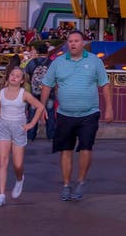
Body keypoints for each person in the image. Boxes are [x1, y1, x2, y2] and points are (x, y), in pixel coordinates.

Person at [40, 30, 113, 202]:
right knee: (66, 149)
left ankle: (81, 181)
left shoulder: (95, 61)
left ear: (83, 43)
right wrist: (41, 107)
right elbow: (46, 85)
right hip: (65, 114)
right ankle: (66, 185)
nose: (72, 44)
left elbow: (105, 85)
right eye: (70, 41)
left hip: (89, 113)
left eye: (76, 41)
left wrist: (109, 108)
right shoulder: (58, 62)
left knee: (86, 147)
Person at [0, 66, 45, 207]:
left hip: (18, 128)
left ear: (22, 81)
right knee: (2, 161)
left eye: (17, 76)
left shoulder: (24, 94)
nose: (14, 77)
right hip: (3, 127)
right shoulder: (0, 94)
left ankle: (20, 179)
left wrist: (31, 124)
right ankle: (1, 195)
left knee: (17, 164)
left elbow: (40, 106)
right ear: (8, 77)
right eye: (12, 74)